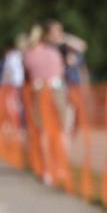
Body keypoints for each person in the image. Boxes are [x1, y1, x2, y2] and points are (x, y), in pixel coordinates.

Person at [22, 21, 70, 186]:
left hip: (39, 92)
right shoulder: (54, 53)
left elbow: (27, 75)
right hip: (57, 91)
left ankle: (47, 171)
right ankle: (61, 168)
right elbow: (62, 72)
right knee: (61, 130)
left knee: (42, 132)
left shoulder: (28, 55)